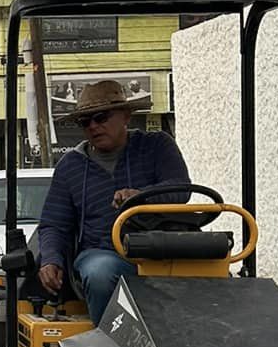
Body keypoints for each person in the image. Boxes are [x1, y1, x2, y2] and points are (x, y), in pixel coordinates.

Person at [36, 81, 191, 323]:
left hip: (163, 252)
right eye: (85, 122)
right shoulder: (70, 167)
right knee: (101, 272)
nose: (94, 126)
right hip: (103, 253)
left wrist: (140, 196)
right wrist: (51, 259)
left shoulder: (157, 146)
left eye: (101, 117)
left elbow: (181, 189)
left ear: (126, 116)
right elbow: (54, 224)